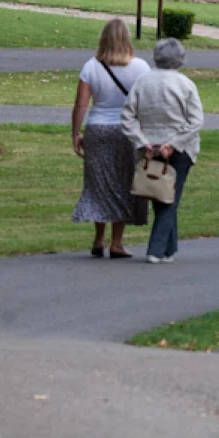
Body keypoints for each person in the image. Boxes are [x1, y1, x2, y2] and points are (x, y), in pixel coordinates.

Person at [72, 18, 149, 258]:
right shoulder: (141, 68)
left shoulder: (91, 67)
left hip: (98, 129)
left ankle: (98, 238)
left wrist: (76, 133)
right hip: (127, 130)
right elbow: (146, 104)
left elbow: (81, 103)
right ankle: (117, 242)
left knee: (98, 184)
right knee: (123, 184)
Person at [121, 38, 203, 264]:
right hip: (181, 147)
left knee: (163, 196)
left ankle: (169, 249)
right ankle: (156, 250)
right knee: (169, 199)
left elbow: (127, 116)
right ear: (180, 59)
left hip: (150, 146)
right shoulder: (185, 84)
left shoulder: (142, 81)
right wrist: (174, 144)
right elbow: (196, 121)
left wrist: (142, 141)